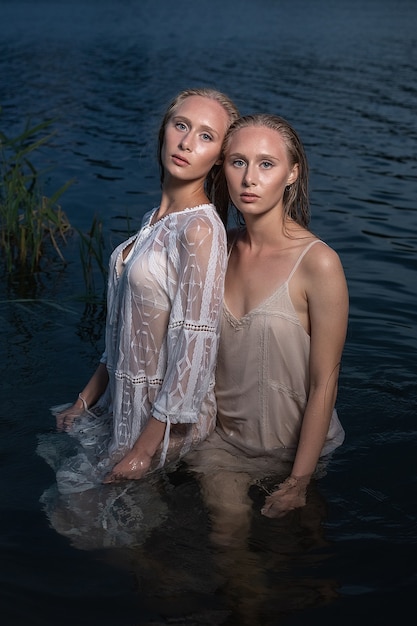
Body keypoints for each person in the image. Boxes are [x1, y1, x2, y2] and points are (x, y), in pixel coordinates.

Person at [51, 87, 240, 491]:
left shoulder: (201, 228)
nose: (187, 142)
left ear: (220, 158)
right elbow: (124, 331)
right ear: (165, 131)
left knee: (90, 521)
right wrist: (83, 401)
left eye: (206, 136)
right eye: (181, 126)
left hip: (163, 419)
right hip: (123, 400)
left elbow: (196, 348)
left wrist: (144, 449)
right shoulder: (154, 218)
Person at [186, 113, 349, 536]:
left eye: (266, 164)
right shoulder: (216, 250)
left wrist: (298, 481)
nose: (248, 179)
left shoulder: (319, 263)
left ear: (292, 173)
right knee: (228, 540)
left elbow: (324, 383)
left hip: (295, 449)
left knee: (301, 551)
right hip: (222, 445)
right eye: (237, 162)